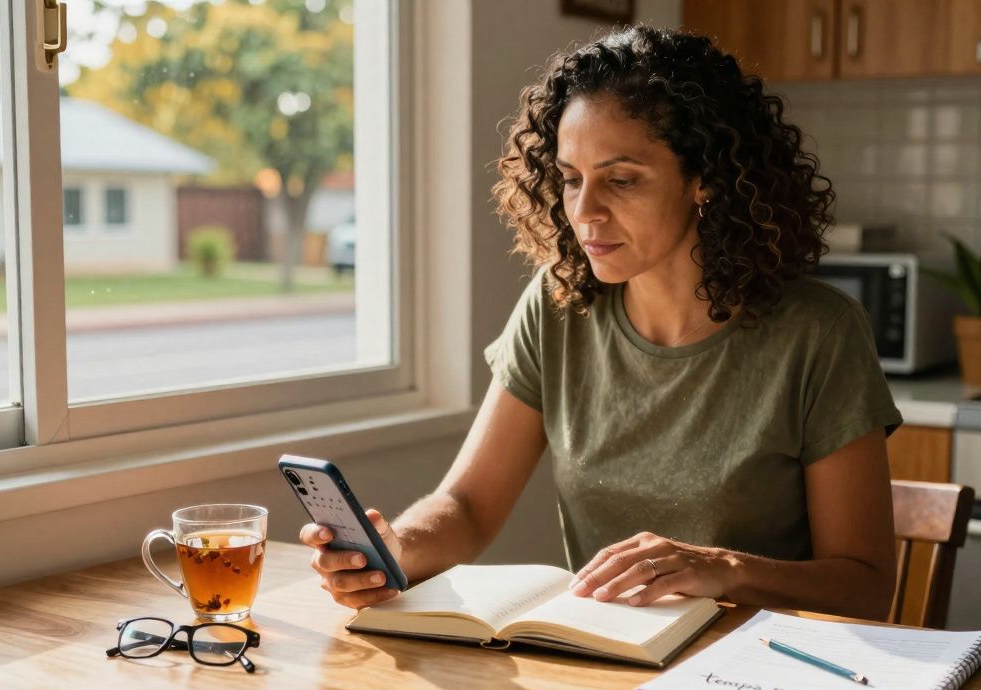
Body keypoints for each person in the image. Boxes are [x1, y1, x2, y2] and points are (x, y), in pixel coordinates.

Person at [299, 26, 903, 620]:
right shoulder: (559, 305)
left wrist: (723, 567)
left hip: (761, 677)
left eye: (621, 179)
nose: (584, 212)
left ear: (706, 183)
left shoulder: (819, 332)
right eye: (570, 179)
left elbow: (866, 586)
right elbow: (468, 506)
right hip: (611, 667)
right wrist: (395, 550)